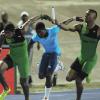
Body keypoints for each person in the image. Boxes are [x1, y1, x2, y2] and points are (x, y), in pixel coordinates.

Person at [28, 15, 82, 100]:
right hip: (46, 54)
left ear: (44, 29)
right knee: (41, 76)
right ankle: (57, 67)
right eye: (37, 32)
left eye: (40, 32)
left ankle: (46, 97)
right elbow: (30, 44)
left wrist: (74, 18)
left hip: (55, 54)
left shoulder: (53, 30)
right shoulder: (37, 36)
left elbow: (63, 23)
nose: (39, 34)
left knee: (49, 74)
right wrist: (26, 53)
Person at [58, 9, 100, 100]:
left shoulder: (98, 30)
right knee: (68, 78)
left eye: (88, 15)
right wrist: (73, 18)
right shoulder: (80, 27)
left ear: (94, 18)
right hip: (81, 57)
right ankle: (85, 73)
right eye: (85, 14)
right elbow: (62, 26)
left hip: (91, 59)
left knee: (78, 81)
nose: (85, 16)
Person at [0, 15, 42, 100]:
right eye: (6, 33)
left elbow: (30, 21)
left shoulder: (19, 31)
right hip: (12, 57)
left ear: (13, 32)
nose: (7, 35)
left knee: (23, 83)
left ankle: (27, 99)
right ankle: (6, 89)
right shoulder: (3, 34)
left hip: (23, 60)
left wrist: (41, 16)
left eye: (8, 33)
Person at [17, 11, 40, 85]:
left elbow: (35, 33)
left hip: (30, 46)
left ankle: (27, 78)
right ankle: (26, 78)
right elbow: (23, 32)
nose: (24, 17)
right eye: (23, 16)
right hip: (22, 47)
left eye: (25, 16)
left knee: (28, 62)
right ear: (21, 17)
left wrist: (38, 43)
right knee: (23, 62)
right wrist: (27, 25)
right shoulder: (20, 24)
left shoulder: (31, 24)